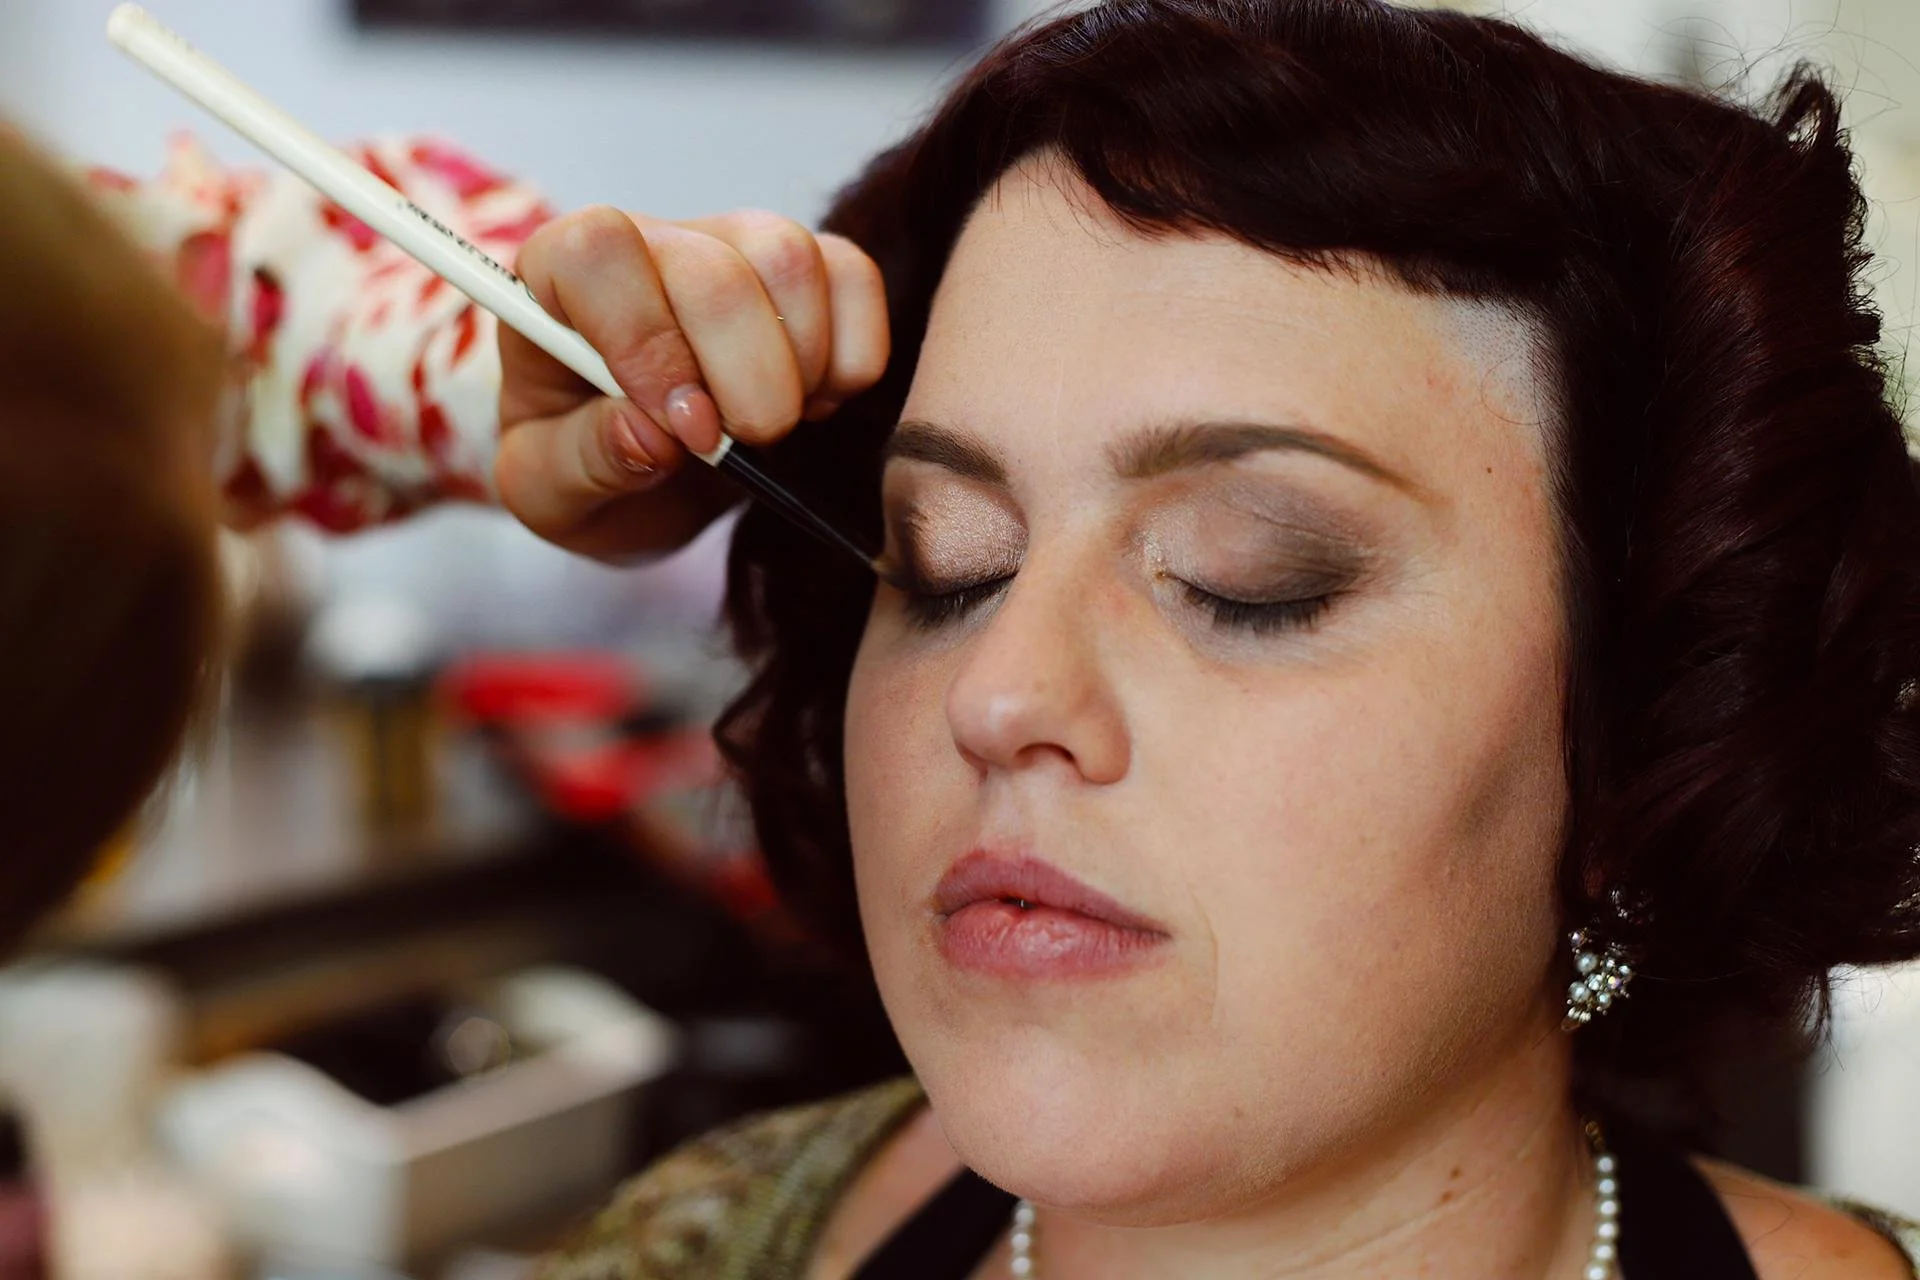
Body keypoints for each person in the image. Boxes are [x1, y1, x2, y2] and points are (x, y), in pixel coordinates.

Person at [469, 1, 1920, 1277]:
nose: (997, 694)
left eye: (1248, 581)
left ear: (1647, 727)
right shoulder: (693, 1243)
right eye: (947, 563)